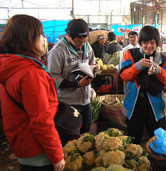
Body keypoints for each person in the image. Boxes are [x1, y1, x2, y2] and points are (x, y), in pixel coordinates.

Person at [0, 15, 65, 171]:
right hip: (38, 149)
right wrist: (56, 155)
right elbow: (41, 120)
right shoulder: (31, 72)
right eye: (41, 34)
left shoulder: (10, 64)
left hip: (22, 143)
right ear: (29, 38)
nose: (44, 38)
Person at [120, 26, 166, 144]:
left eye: (153, 43)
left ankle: (156, 162)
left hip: (155, 109)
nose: (149, 46)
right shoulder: (130, 54)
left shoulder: (164, 60)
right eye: (145, 42)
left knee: (158, 142)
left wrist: (158, 70)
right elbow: (124, 75)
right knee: (133, 141)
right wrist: (138, 66)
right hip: (134, 107)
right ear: (140, 42)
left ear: (157, 43)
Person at [47, 19, 98, 134]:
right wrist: (77, 84)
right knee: (70, 138)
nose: (81, 45)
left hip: (86, 101)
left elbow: (92, 63)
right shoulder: (57, 51)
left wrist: (94, 69)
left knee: (86, 136)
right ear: (68, 35)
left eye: (84, 41)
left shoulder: (87, 47)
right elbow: (53, 78)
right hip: (68, 103)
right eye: (78, 42)